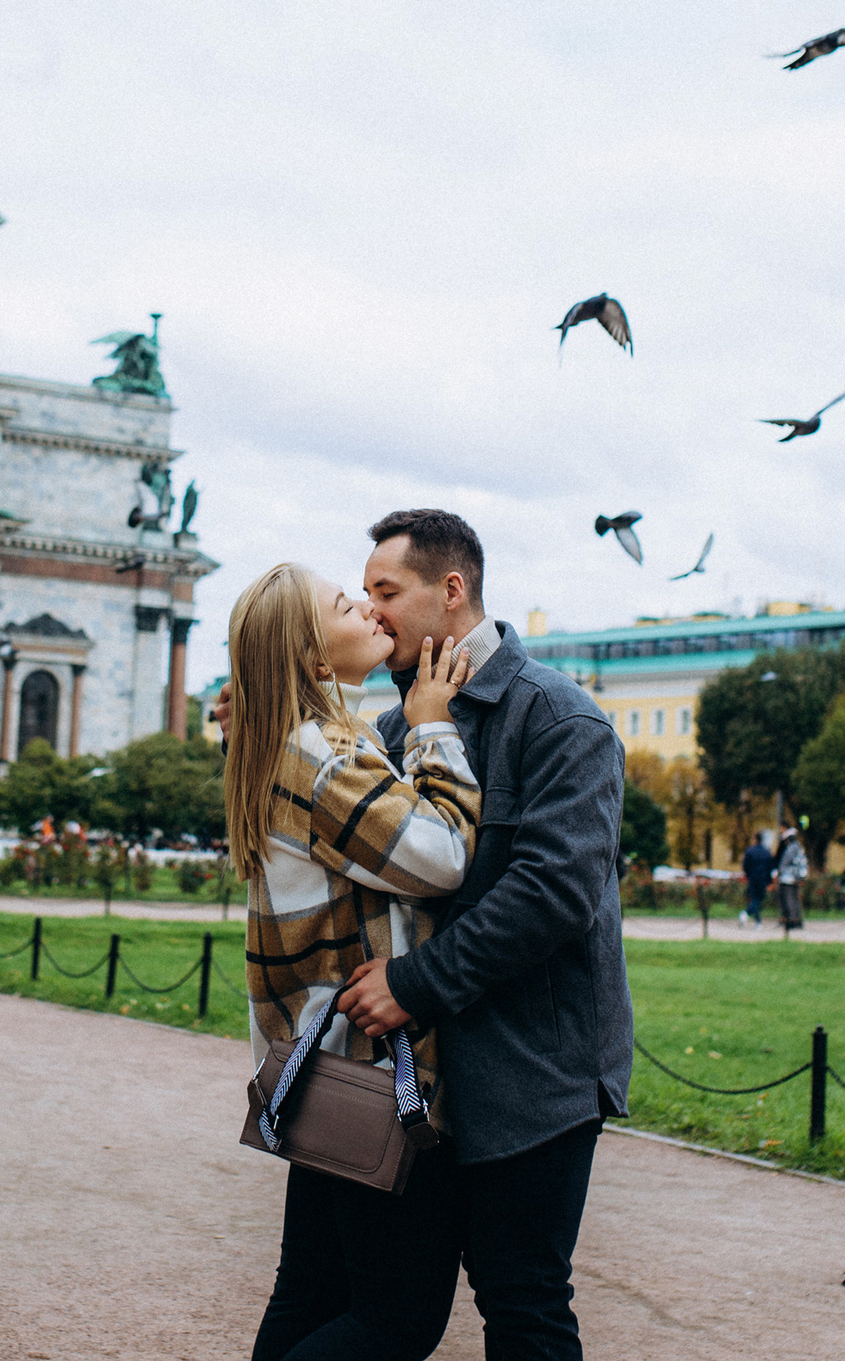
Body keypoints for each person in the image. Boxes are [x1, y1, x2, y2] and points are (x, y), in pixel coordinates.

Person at [344, 509, 631, 1360]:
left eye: (386, 590)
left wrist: (412, 984)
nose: (371, 611)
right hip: (420, 1077)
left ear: (451, 589)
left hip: (533, 1075)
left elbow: (554, 893)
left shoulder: (559, 719)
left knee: (523, 1303)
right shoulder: (393, 730)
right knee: (392, 1313)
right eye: (363, 593)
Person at [226, 562, 483, 1361]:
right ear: (313, 657)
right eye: (347, 605)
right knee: (398, 1320)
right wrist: (434, 727)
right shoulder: (326, 757)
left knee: (311, 1293)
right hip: (371, 1068)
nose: (370, 609)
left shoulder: (291, 744)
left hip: (320, 1067)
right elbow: (442, 858)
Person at [773, 826, 808, 930]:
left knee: (788, 899)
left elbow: (784, 862)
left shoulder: (791, 848)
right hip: (796, 878)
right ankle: (797, 919)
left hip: (787, 878)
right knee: (795, 899)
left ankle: (791, 920)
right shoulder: (799, 848)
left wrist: (778, 873)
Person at [739, 830, 774, 929]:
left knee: (754, 899)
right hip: (763, 878)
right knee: (758, 899)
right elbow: (770, 866)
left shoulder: (750, 851)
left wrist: (748, 874)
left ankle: (755, 920)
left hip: (753, 878)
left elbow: (745, 865)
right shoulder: (767, 852)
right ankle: (750, 916)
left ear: (755, 839)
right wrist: (769, 880)